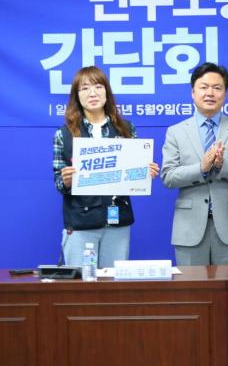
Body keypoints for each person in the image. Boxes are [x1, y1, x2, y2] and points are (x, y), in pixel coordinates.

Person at [52, 66, 159, 268]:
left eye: (98, 86)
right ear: (77, 96)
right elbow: (59, 183)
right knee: (81, 283)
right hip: (81, 223)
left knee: (113, 282)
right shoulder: (63, 134)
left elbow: (134, 174)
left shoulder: (126, 129)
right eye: (85, 88)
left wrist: (146, 172)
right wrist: (66, 180)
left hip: (117, 220)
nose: (92, 93)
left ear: (107, 92)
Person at [161, 63, 228, 265]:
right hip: (189, 228)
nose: (210, 93)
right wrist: (201, 168)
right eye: (203, 87)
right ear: (193, 92)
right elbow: (168, 177)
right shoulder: (176, 132)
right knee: (191, 285)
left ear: (225, 93)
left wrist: (223, 165)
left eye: (217, 87)